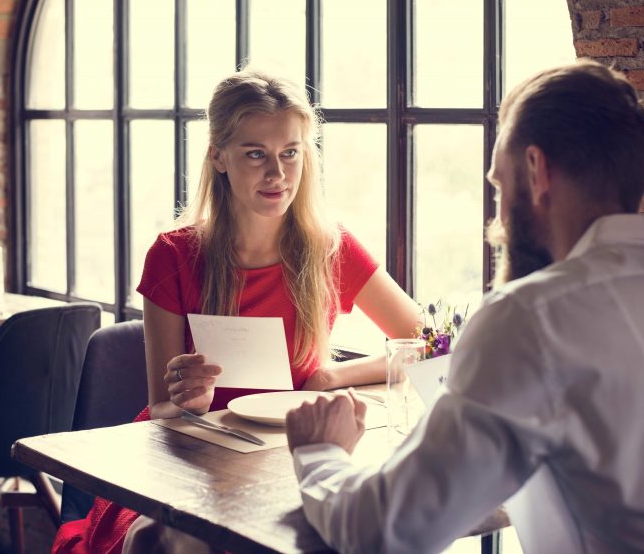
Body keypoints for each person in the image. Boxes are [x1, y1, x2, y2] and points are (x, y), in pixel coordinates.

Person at [285, 59, 644, 554]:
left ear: (536, 170)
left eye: (499, 185)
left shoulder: (531, 319)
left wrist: (320, 452)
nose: (497, 221)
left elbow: (383, 531)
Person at [53, 70, 421, 554]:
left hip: (287, 461)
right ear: (218, 156)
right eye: (255, 154)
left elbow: (427, 344)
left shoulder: (333, 248)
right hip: (191, 457)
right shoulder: (173, 255)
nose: (277, 174)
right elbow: (162, 407)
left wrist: (332, 376)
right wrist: (188, 401)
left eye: (290, 153)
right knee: (166, 541)